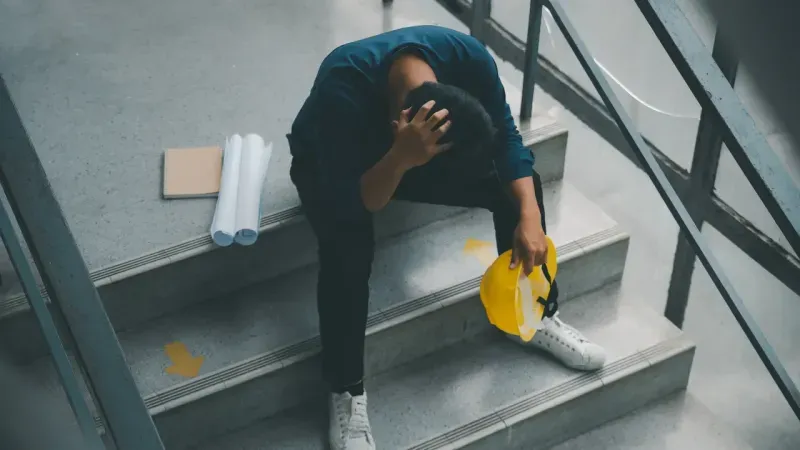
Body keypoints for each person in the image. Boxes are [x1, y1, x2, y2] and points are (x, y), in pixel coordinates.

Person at [288, 25, 607, 450]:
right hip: (330, 163)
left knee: (518, 187)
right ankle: (345, 388)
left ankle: (535, 316)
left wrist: (530, 216)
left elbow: (508, 142)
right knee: (347, 244)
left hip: (406, 153)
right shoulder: (342, 85)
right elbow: (363, 202)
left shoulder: (469, 59)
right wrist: (400, 159)